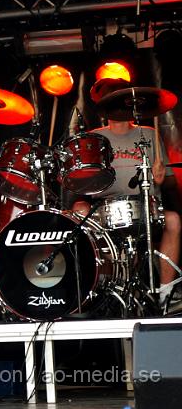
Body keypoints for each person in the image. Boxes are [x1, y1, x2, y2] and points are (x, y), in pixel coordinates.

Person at [72, 78, 181, 307]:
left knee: (174, 220)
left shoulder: (149, 134)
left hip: (145, 206)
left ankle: (166, 293)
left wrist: (160, 180)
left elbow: (168, 184)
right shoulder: (95, 138)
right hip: (104, 207)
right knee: (76, 210)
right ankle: (91, 289)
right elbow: (80, 184)